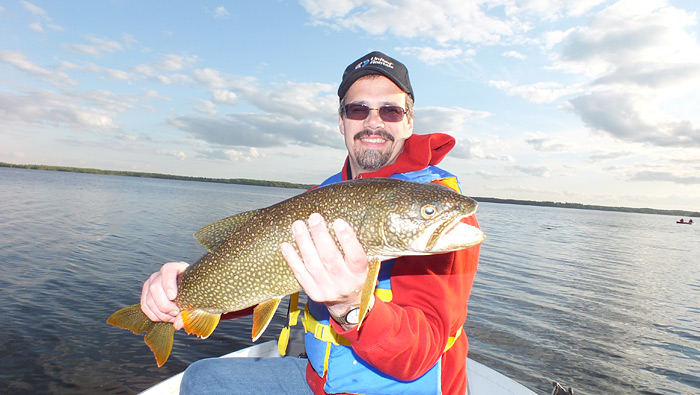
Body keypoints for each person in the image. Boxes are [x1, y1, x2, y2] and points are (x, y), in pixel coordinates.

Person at [140, 51, 482, 394]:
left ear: (409, 121)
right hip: (321, 385)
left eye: (391, 110)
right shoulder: (323, 195)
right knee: (203, 379)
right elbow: (260, 271)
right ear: (341, 121)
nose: (373, 122)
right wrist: (181, 292)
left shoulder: (441, 204)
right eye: (358, 109)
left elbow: (418, 356)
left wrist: (349, 305)